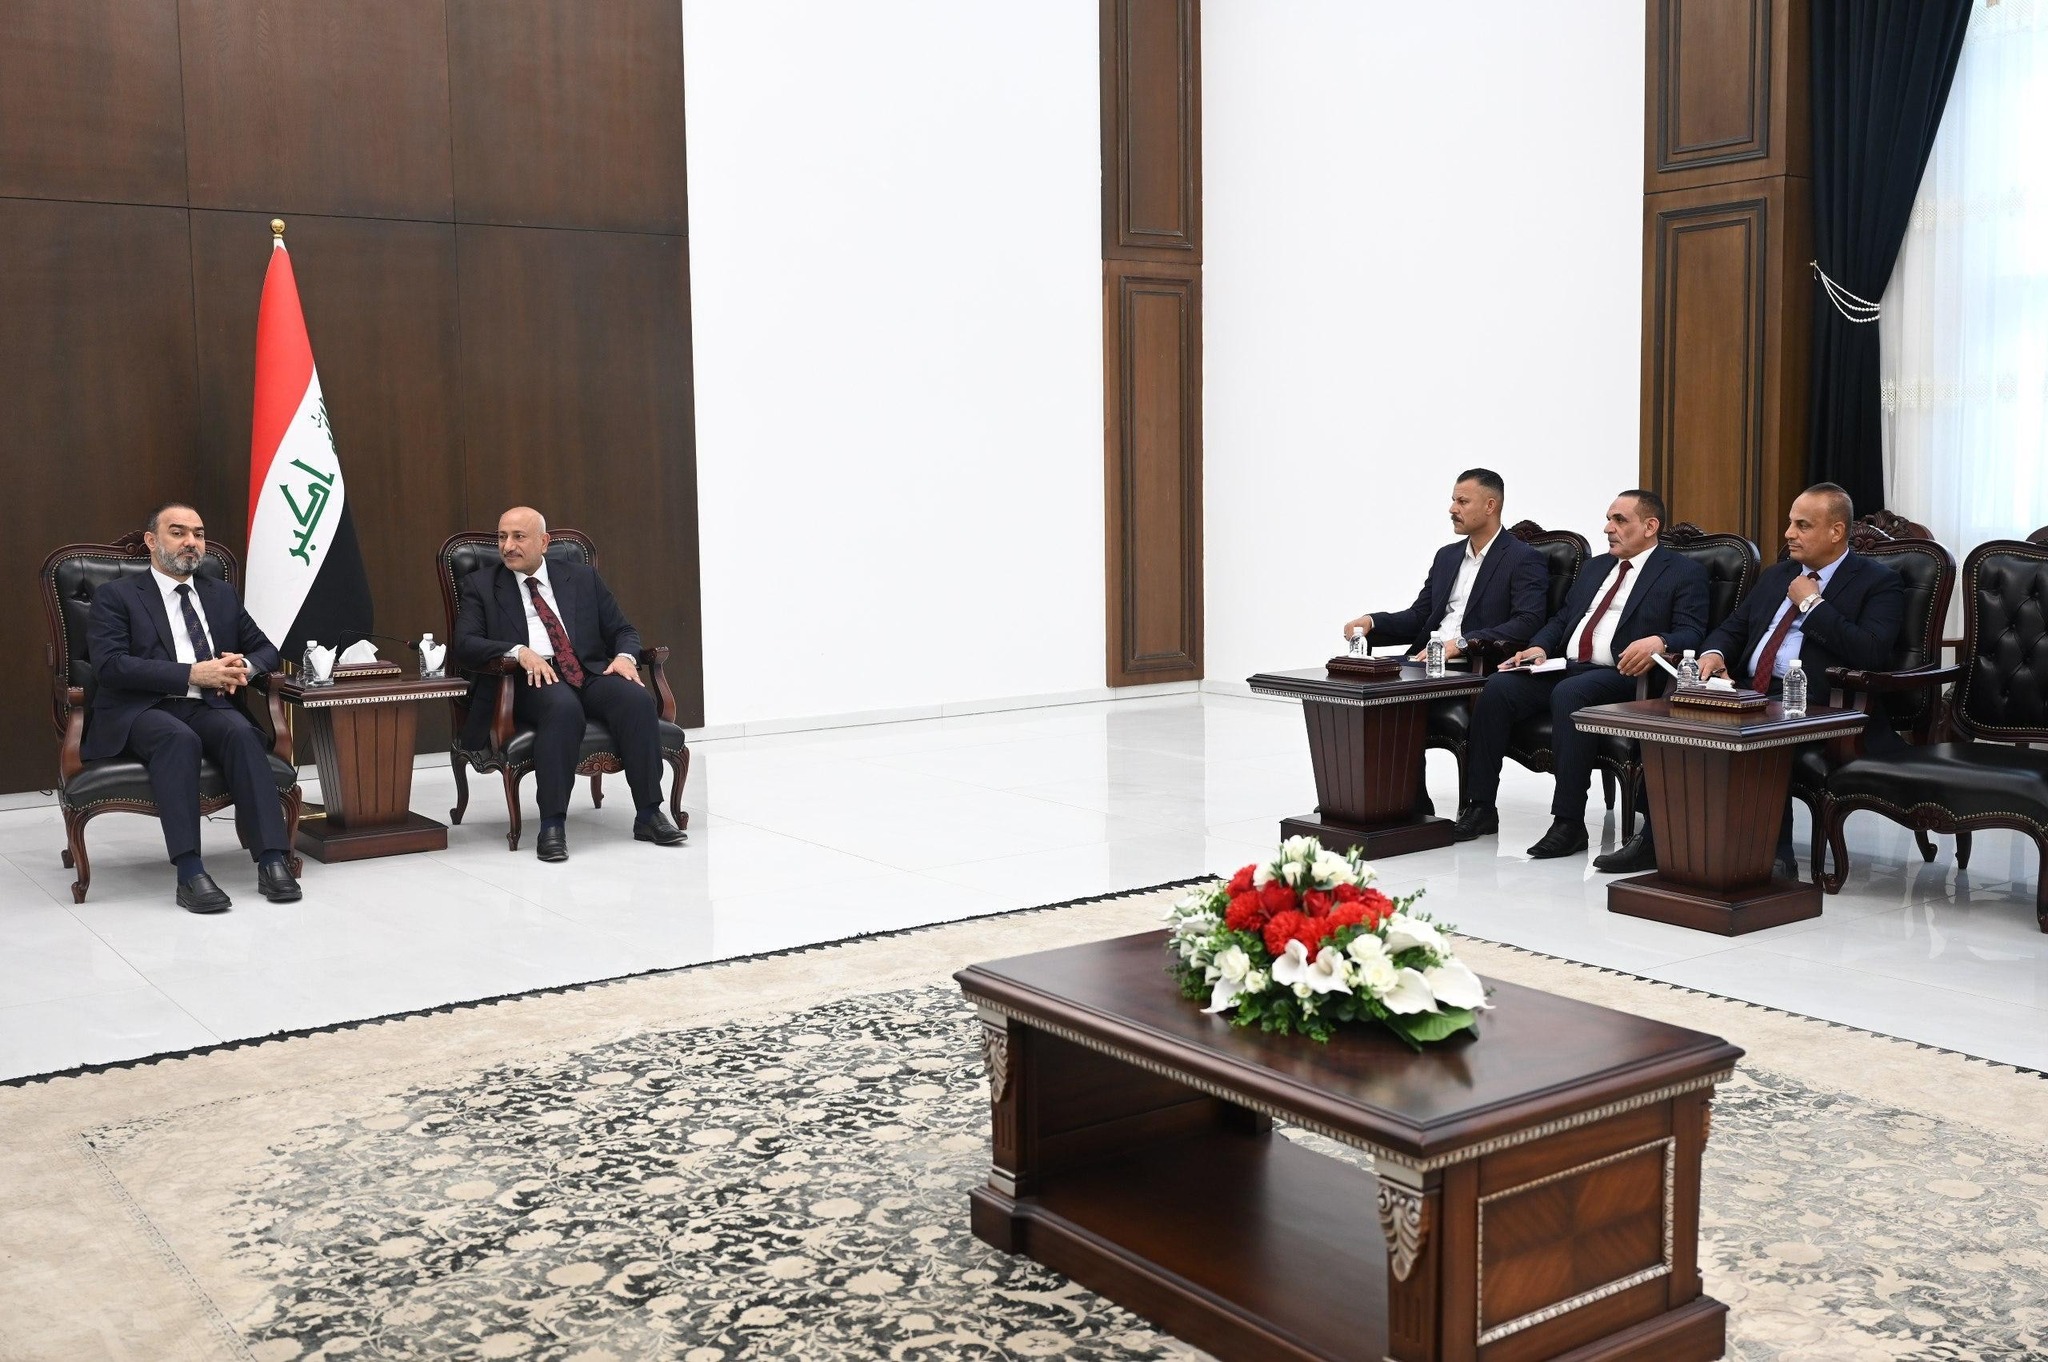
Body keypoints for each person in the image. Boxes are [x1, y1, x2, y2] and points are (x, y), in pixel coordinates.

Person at [1594, 483, 1904, 876]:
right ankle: (1657, 842)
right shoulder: (1778, 576)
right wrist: (1714, 654)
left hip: (1818, 704)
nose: (1788, 533)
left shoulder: (1878, 582)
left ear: (1836, 532)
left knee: (1762, 737)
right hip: (1750, 691)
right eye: (1790, 523)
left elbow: (1871, 652)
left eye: (1802, 525)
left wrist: (1811, 603)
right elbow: (1734, 628)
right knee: (1671, 725)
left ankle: (1776, 857)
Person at [1455, 489, 1708, 859]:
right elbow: (1563, 619)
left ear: (1650, 526)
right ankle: (1480, 808)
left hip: (1626, 676)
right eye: (1608, 519)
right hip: (1570, 667)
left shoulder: (1683, 572)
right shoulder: (1595, 567)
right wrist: (1540, 647)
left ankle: (1569, 822)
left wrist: (1660, 640)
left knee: (1570, 693)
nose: (1608, 528)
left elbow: (1693, 631)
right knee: (1498, 687)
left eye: (1619, 520)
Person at [84, 503, 302, 913]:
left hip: (206, 704)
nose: (191, 542)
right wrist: (192, 674)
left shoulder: (220, 594)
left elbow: (266, 649)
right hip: (141, 709)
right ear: (151, 541)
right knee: (177, 738)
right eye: (178, 532)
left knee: (242, 733)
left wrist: (245, 665)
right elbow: (111, 666)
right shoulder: (117, 596)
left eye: (198, 534)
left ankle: (272, 859)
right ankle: (189, 872)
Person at [452, 506, 685, 862]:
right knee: (563, 708)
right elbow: (465, 644)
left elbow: (622, 629)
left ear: (544, 542)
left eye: (518, 537)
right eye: (502, 537)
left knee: (636, 700)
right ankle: (552, 825)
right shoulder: (481, 585)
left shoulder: (582, 577)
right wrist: (518, 652)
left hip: (587, 671)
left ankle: (649, 815)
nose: (507, 546)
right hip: (529, 679)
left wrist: (625, 656)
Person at [1341, 468, 1548, 665]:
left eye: (1462, 502)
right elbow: (1419, 616)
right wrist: (1372, 621)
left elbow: (1528, 622)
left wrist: (1462, 644)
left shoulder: (1522, 558)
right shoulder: (1447, 556)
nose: (1452, 509)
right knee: (1344, 676)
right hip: (1425, 660)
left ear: (1490, 506)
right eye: (1453, 500)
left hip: (1473, 663)